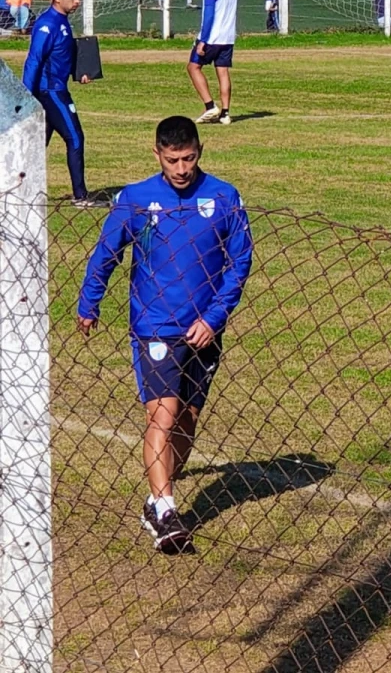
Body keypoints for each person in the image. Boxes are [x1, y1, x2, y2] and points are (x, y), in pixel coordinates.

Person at [77, 116, 253, 555]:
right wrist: (89, 303)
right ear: (156, 154)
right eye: (172, 160)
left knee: (187, 424)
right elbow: (106, 254)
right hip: (154, 327)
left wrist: (213, 318)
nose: (181, 169)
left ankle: (156, 500)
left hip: (204, 330)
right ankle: (168, 510)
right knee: (163, 415)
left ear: (200, 152)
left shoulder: (224, 197)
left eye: (188, 158)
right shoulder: (135, 199)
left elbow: (240, 264)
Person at [22, 0, 92, 204]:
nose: (77, 1)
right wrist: (26, 97)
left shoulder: (62, 21)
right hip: (51, 92)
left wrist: (77, 72)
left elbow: (60, 56)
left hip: (57, 88)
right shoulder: (47, 24)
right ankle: (80, 197)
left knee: (36, 146)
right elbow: (34, 60)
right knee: (75, 138)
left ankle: (17, 191)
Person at [188, 0, 238, 125]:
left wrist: (202, 41)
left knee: (193, 67)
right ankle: (225, 113)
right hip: (228, 37)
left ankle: (210, 106)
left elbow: (208, 15)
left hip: (212, 38)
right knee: (222, 72)